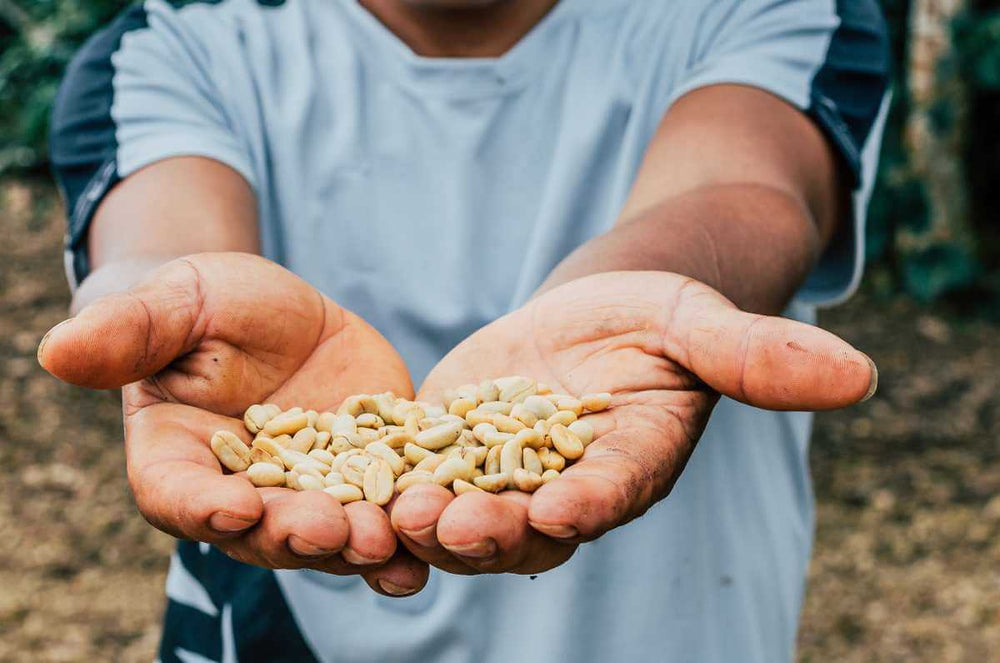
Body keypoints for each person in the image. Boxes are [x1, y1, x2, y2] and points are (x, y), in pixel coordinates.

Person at [38, 0, 889, 661]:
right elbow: (159, 242)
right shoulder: (172, 45)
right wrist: (148, 298)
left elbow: (748, 186)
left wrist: (638, 292)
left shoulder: (766, 11)